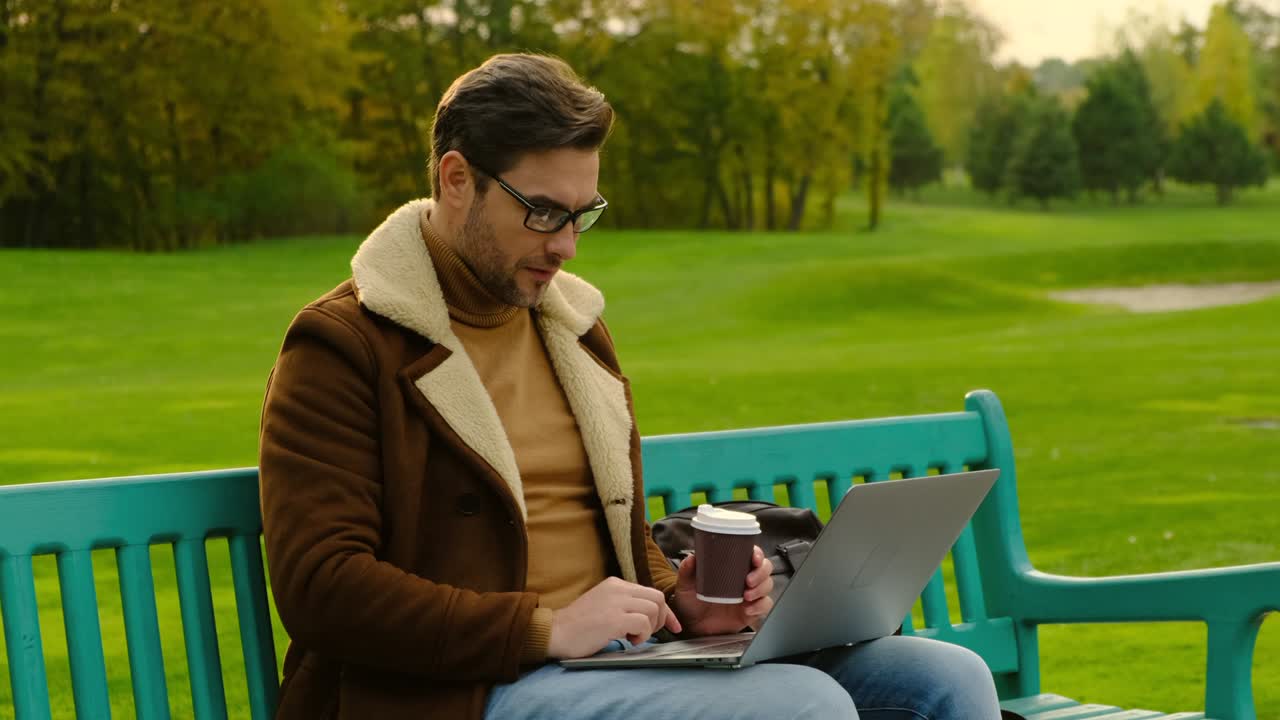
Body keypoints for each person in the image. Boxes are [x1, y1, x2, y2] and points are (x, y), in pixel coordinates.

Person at [258, 52, 1002, 720]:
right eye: (543, 212)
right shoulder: (345, 344)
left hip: (620, 657)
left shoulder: (572, 328)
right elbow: (322, 587)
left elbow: (611, 538)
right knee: (799, 707)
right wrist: (542, 629)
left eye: (583, 214)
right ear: (458, 180)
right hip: (470, 685)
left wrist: (683, 601)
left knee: (946, 681)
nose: (566, 246)